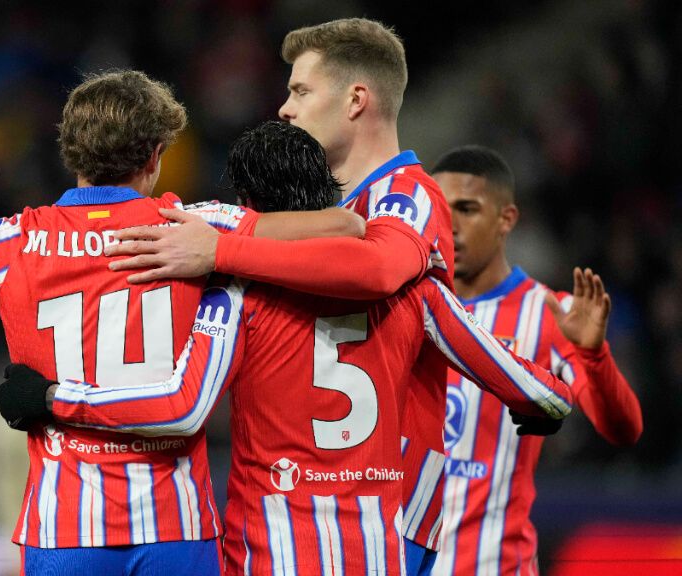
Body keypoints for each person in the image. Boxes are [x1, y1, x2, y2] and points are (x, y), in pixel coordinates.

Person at [0, 71, 364, 575]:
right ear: (154, 156)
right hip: (177, 527)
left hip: (63, 530)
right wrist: (221, 248)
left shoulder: (10, 239)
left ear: (70, 152)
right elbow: (343, 227)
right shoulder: (191, 225)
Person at [0, 121, 574, 575]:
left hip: (267, 547)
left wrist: (54, 398)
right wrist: (546, 401)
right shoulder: (413, 286)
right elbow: (527, 384)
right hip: (374, 546)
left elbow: (180, 407)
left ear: (247, 204)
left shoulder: (235, 293)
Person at [100, 18, 454, 574]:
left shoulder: (406, 194)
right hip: (302, 497)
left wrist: (220, 252)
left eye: (301, 90)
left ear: (357, 99)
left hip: (389, 500)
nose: (286, 108)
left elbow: (379, 268)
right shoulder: (317, 210)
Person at [428, 145, 643, 576]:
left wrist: (593, 355)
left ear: (506, 219)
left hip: (494, 565)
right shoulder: (414, 305)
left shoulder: (549, 313)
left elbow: (623, 429)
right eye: (440, 208)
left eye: (467, 208)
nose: (449, 224)